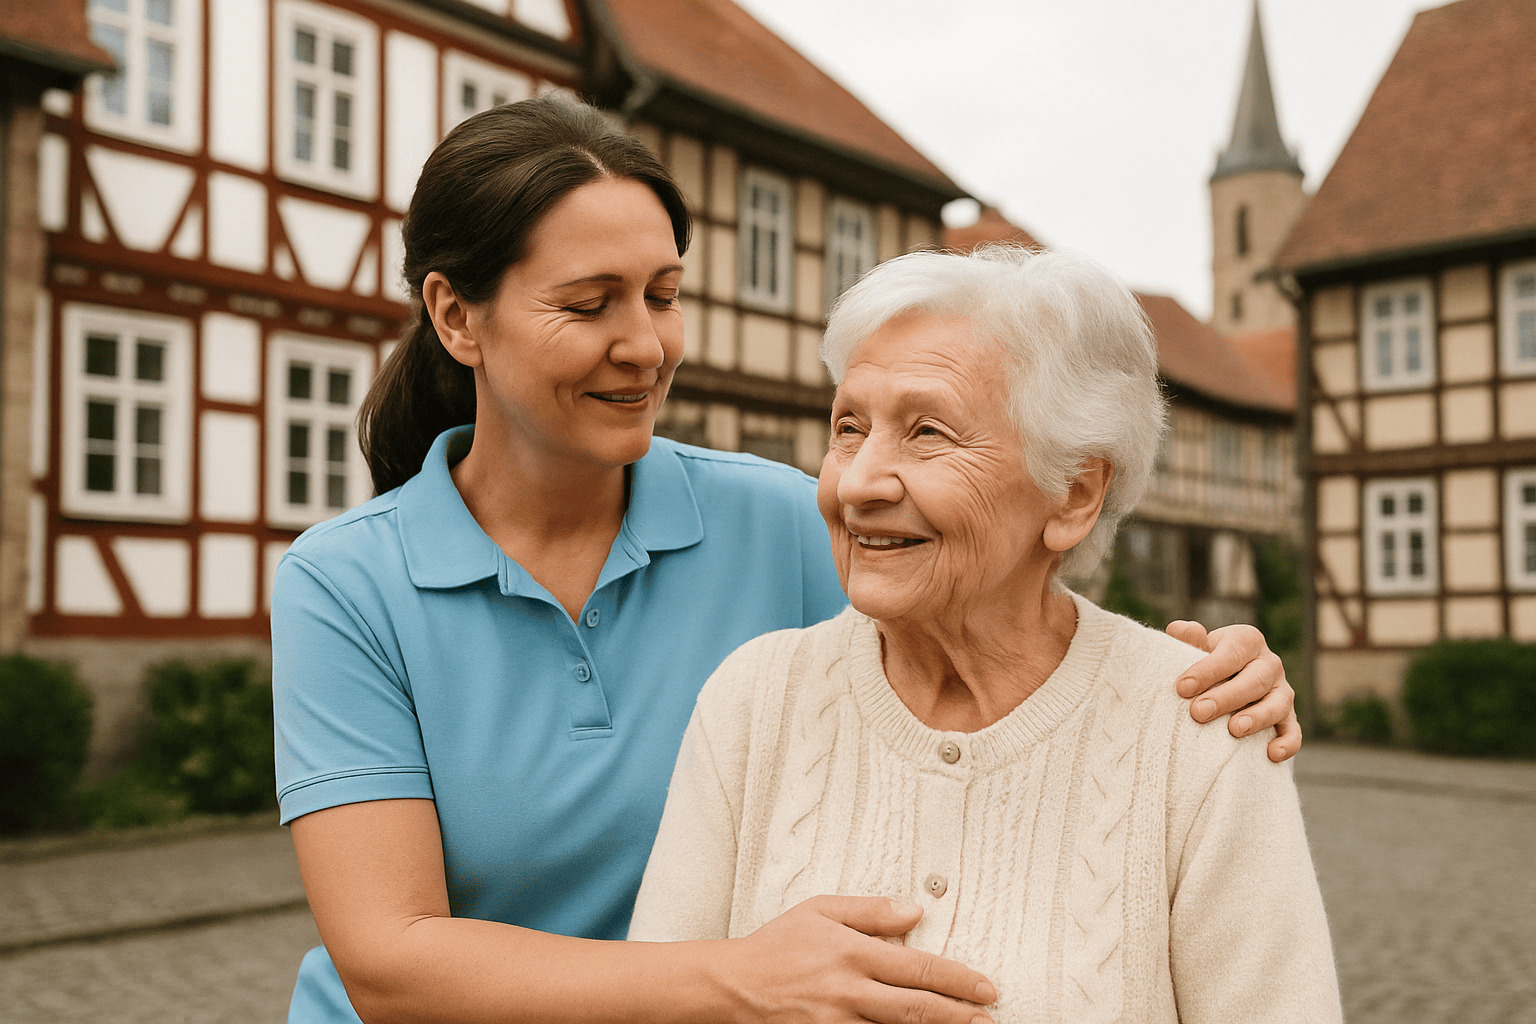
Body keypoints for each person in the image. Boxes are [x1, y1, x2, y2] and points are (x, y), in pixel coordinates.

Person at [272, 97, 1303, 1024]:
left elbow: (992, 626)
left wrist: (1199, 687)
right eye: (590, 304)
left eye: (663, 294)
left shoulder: (784, 515)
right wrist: (743, 975)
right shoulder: (348, 583)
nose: (646, 345)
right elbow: (392, 963)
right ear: (457, 316)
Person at [628, 245, 1341, 1022]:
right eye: (848, 427)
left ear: (1072, 493)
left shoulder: (1201, 731)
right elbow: (656, 1001)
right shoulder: (752, 700)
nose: (859, 481)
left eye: (927, 432)